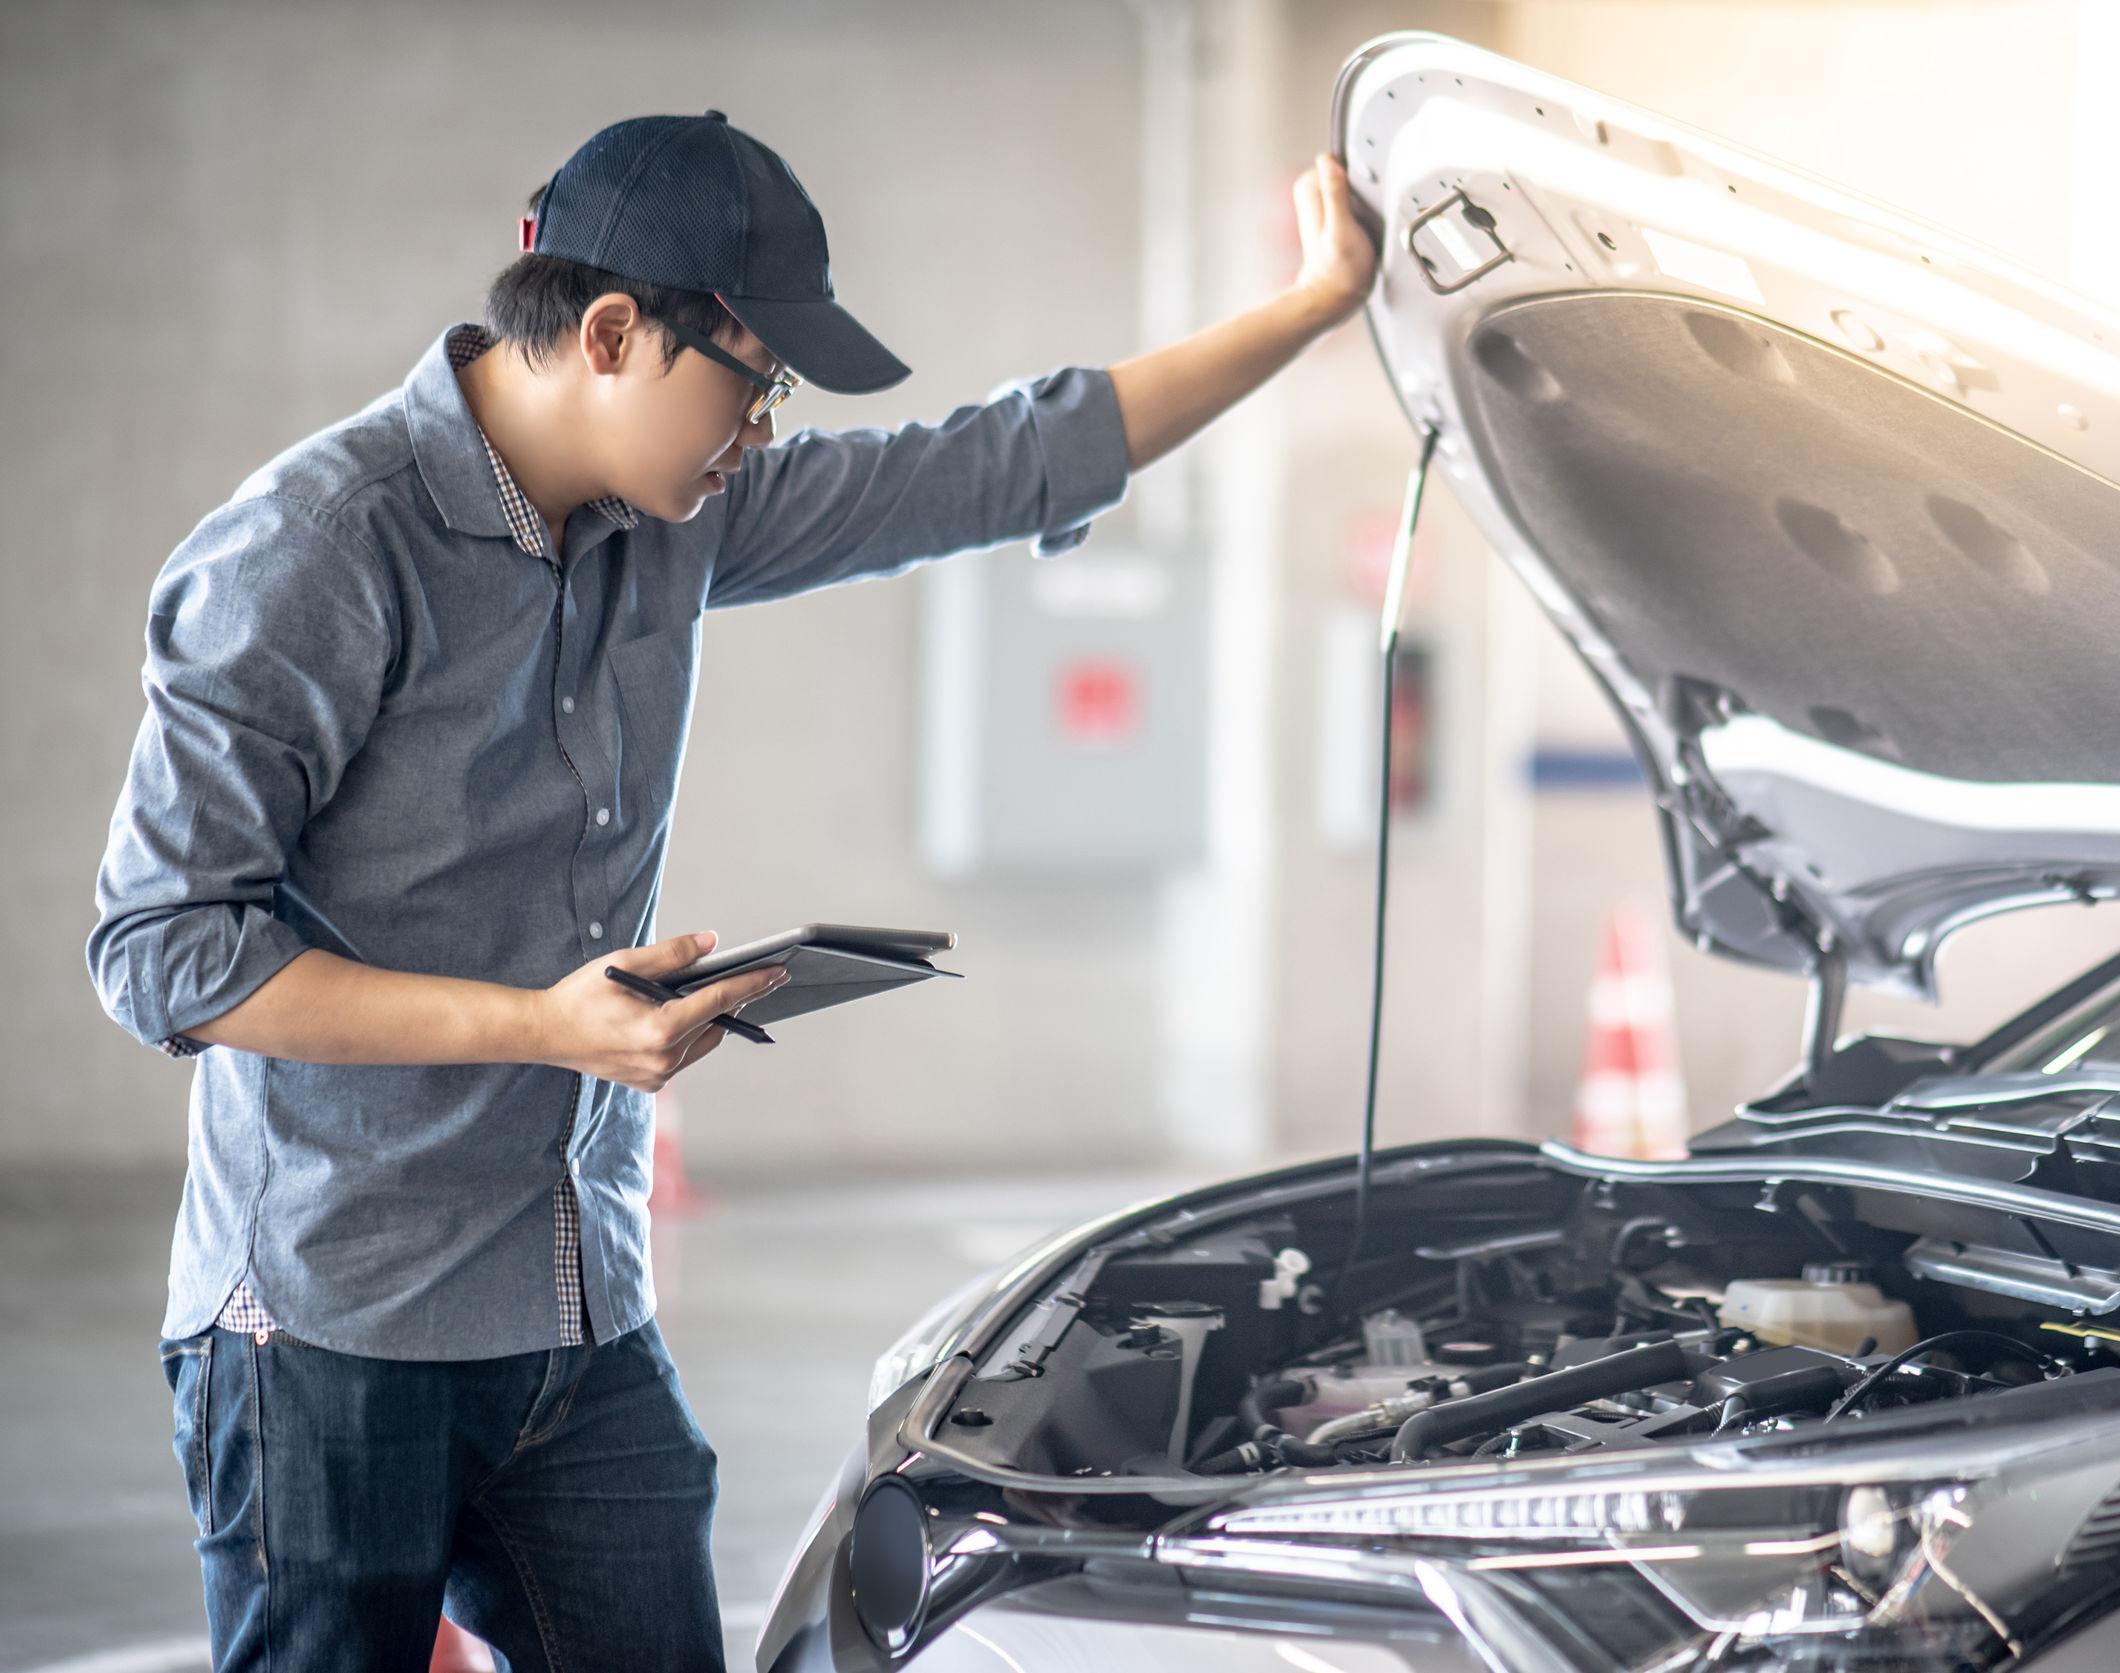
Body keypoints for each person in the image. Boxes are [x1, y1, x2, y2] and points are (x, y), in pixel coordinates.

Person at [85, 109, 1377, 1672]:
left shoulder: (679, 525)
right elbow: (164, 951)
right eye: (756, 381)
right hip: (328, 1327)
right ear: (615, 333)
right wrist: (540, 1027)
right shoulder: (314, 548)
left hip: (572, 1305)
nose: (763, 427)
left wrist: (1312, 307)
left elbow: (1007, 457)